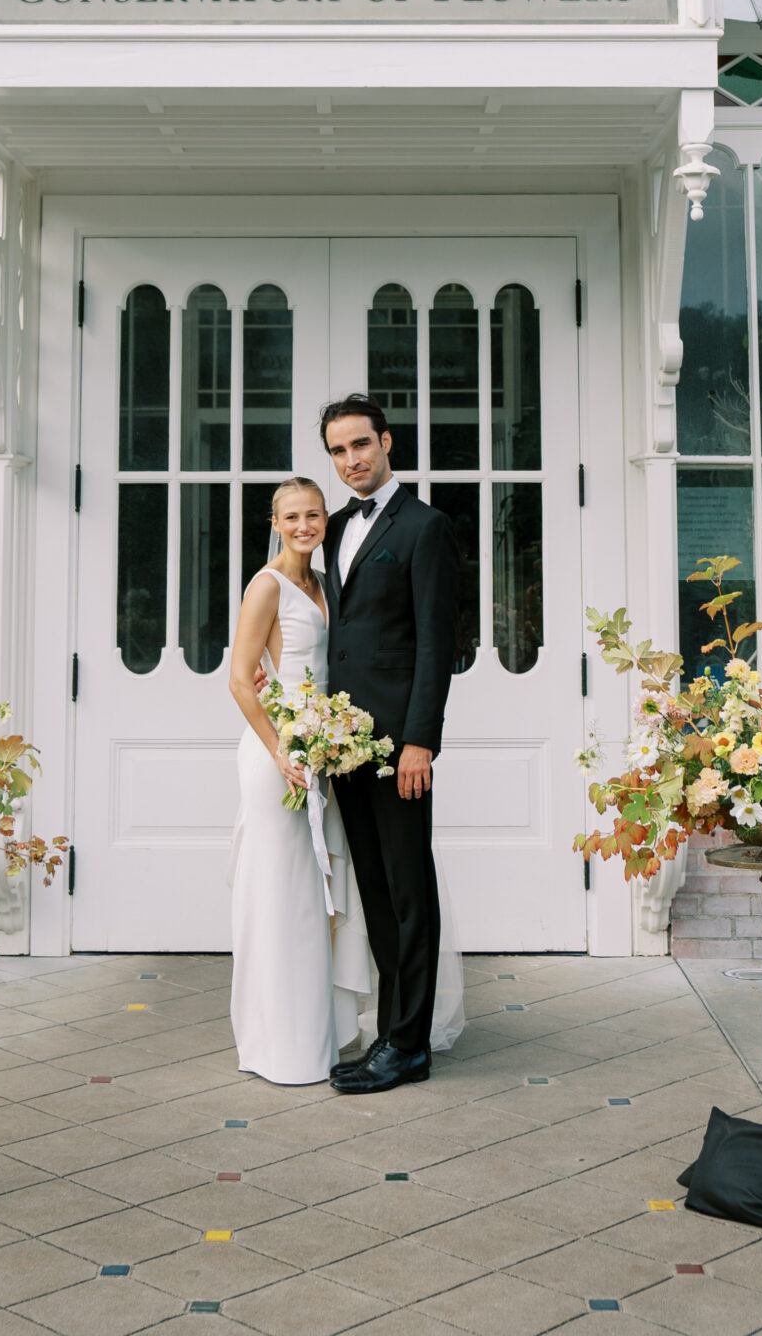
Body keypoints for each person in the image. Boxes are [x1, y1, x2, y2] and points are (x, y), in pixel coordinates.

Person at [321, 393, 460, 1095]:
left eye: (360, 445)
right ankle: (391, 1032)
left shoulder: (425, 527)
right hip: (342, 746)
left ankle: (408, 1044)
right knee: (374, 890)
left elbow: (438, 643)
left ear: (387, 442)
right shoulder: (334, 526)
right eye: (338, 451)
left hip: (396, 746)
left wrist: (418, 742)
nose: (350, 461)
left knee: (409, 892)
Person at [226, 477, 362, 1084]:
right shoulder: (267, 585)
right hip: (277, 755)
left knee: (318, 898)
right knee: (282, 897)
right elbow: (238, 679)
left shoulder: (324, 583)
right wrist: (283, 751)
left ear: (325, 519)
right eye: (292, 516)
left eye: (314, 514)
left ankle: (320, 1037)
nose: (304, 525)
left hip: (321, 750)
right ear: (274, 522)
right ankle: (279, 1044)